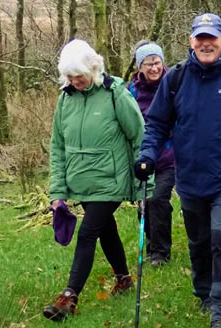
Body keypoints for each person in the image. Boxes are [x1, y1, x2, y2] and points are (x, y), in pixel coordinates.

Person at [134, 13, 221, 328]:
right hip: (191, 181)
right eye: (200, 37)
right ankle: (204, 292)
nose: (206, 43)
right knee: (199, 242)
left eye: (212, 37)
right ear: (191, 41)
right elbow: (156, 125)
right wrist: (147, 156)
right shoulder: (176, 78)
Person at [44, 39, 148, 321]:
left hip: (111, 179)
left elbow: (139, 136)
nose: (75, 81)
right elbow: (58, 147)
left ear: (93, 68)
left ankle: (69, 296)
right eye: (70, 76)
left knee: (88, 232)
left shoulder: (115, 93)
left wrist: (144, 184)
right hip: (82, 182)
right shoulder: (66, 99)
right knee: (105, 229)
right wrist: (58, 192)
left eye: (79, 75)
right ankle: (124, 279)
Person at [128, 42, 176, 267]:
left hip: (170, 155)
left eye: (157, 62)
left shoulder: (174, 83)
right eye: (149, 64)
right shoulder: (132, 91)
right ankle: (150, 245)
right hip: (143, 156)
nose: (154, 68)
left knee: (158, 199)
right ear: (140, 67)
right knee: (144, 203)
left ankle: (160, 252)